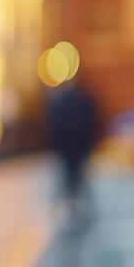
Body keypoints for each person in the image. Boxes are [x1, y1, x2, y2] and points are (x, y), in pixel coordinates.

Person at [47, 77, 99, 220]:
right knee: (77, 174)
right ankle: (77, 202)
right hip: (78, 144)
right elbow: (92, 120)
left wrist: (57, 145)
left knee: (72, 175)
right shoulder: (83, 98)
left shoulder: (60, 101)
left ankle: (74, 202)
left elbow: (55, 125)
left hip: (69, 145)